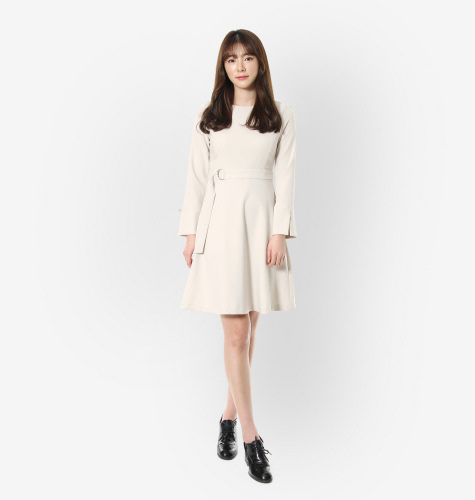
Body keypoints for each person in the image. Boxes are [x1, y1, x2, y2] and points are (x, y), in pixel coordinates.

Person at [177, 29, 297, 484]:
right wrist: (190, 232)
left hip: (262, 223)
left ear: (259, 62)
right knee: (236, 334)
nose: (239, 66)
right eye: (231, 59)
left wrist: (280, 231)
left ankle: (227, 417)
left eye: (247, 57)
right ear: (222, 66)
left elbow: (285, 176)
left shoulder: (280, 114)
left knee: (250, 327)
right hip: (221, 222)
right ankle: (250, 437)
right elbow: (196, 177)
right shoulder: (209, 116)